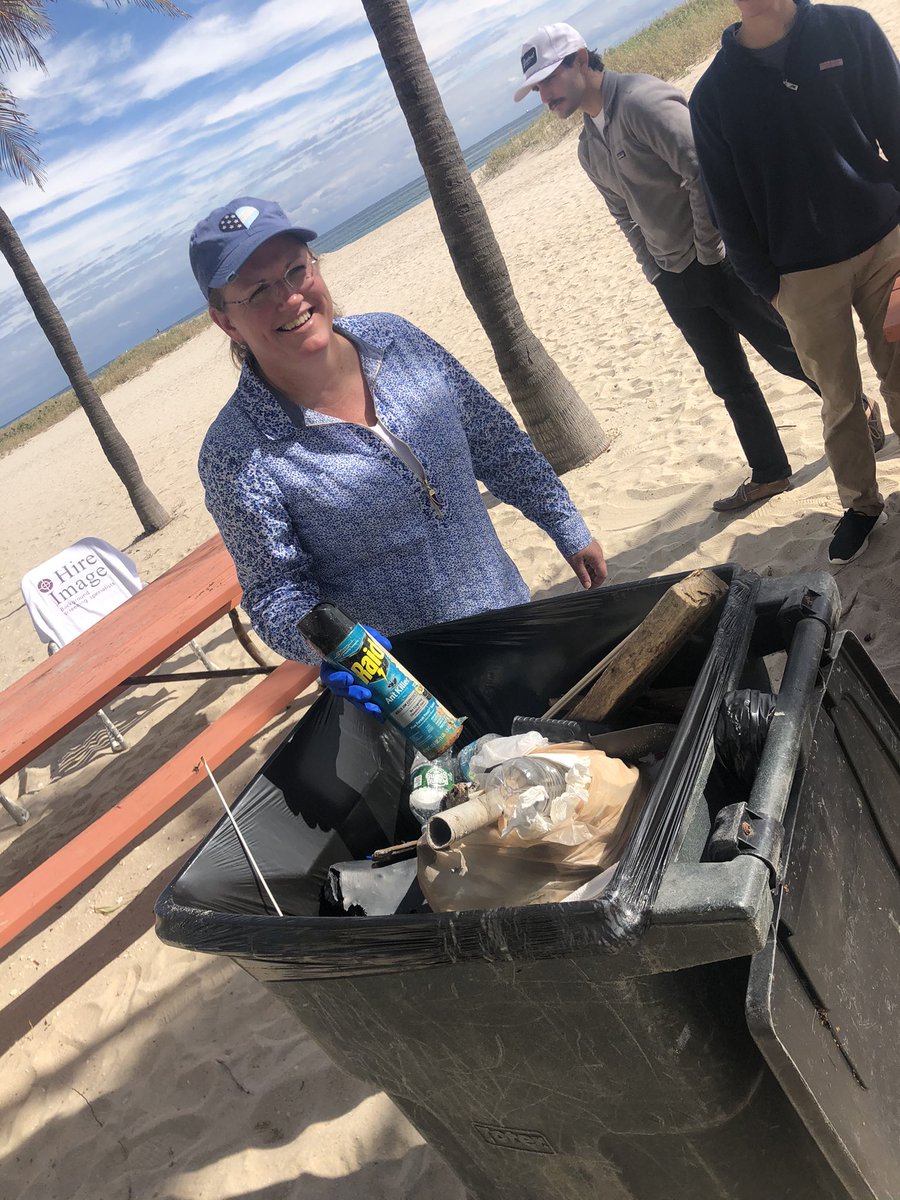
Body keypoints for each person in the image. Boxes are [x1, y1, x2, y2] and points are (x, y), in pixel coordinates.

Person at [189, 196, 607, 697]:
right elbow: (275, 591)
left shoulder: (396, 338)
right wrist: (341, 651)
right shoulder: (236, 450)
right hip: (410, 689)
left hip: (512, 617)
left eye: (296, 271)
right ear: (226, 321)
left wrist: (564, 521)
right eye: (257, 291)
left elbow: (493, 438)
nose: (290, 298)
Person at [511, 22, 883, 514]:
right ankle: (770, 471)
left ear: (581, 59)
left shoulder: (643, 101)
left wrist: (710, 254)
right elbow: (623, 214)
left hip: (721, 262)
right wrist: (655, 271)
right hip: (673, 276)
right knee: (726, 380)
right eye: (536, 87)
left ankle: (861, 411)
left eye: (548, 80)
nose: (543, 96)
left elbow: (704, 173)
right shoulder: (587, 147)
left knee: (788, 354)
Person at [690, 0, 900, 564]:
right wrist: (768, 285)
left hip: (885, 241)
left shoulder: (847, 29)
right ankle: (861, 506)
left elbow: (896, 125)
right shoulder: (713, 95)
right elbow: (725, 204)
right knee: (839, 398)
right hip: (800, 277)